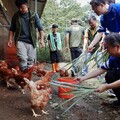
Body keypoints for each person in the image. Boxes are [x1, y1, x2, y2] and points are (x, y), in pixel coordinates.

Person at [76, 33, 120, 107]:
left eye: (107, 48)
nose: (106, 51)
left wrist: (106, 86)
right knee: (110, 75)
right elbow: (100, 69)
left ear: (117, 47)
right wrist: (83, 78)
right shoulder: (114, 58)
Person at [7, 0, 45, 71]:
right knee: (23, 59)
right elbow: (12, 29)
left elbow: (41, 29)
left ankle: (28, 79)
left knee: (30, 61)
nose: (20, 9)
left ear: (27, 5)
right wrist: (10, 39)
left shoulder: (34, 15)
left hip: (31, 41)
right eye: (19, 8)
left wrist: (42, 40)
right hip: (20, 40)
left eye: (22, 7)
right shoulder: (16, 16)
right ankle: (23, 78)